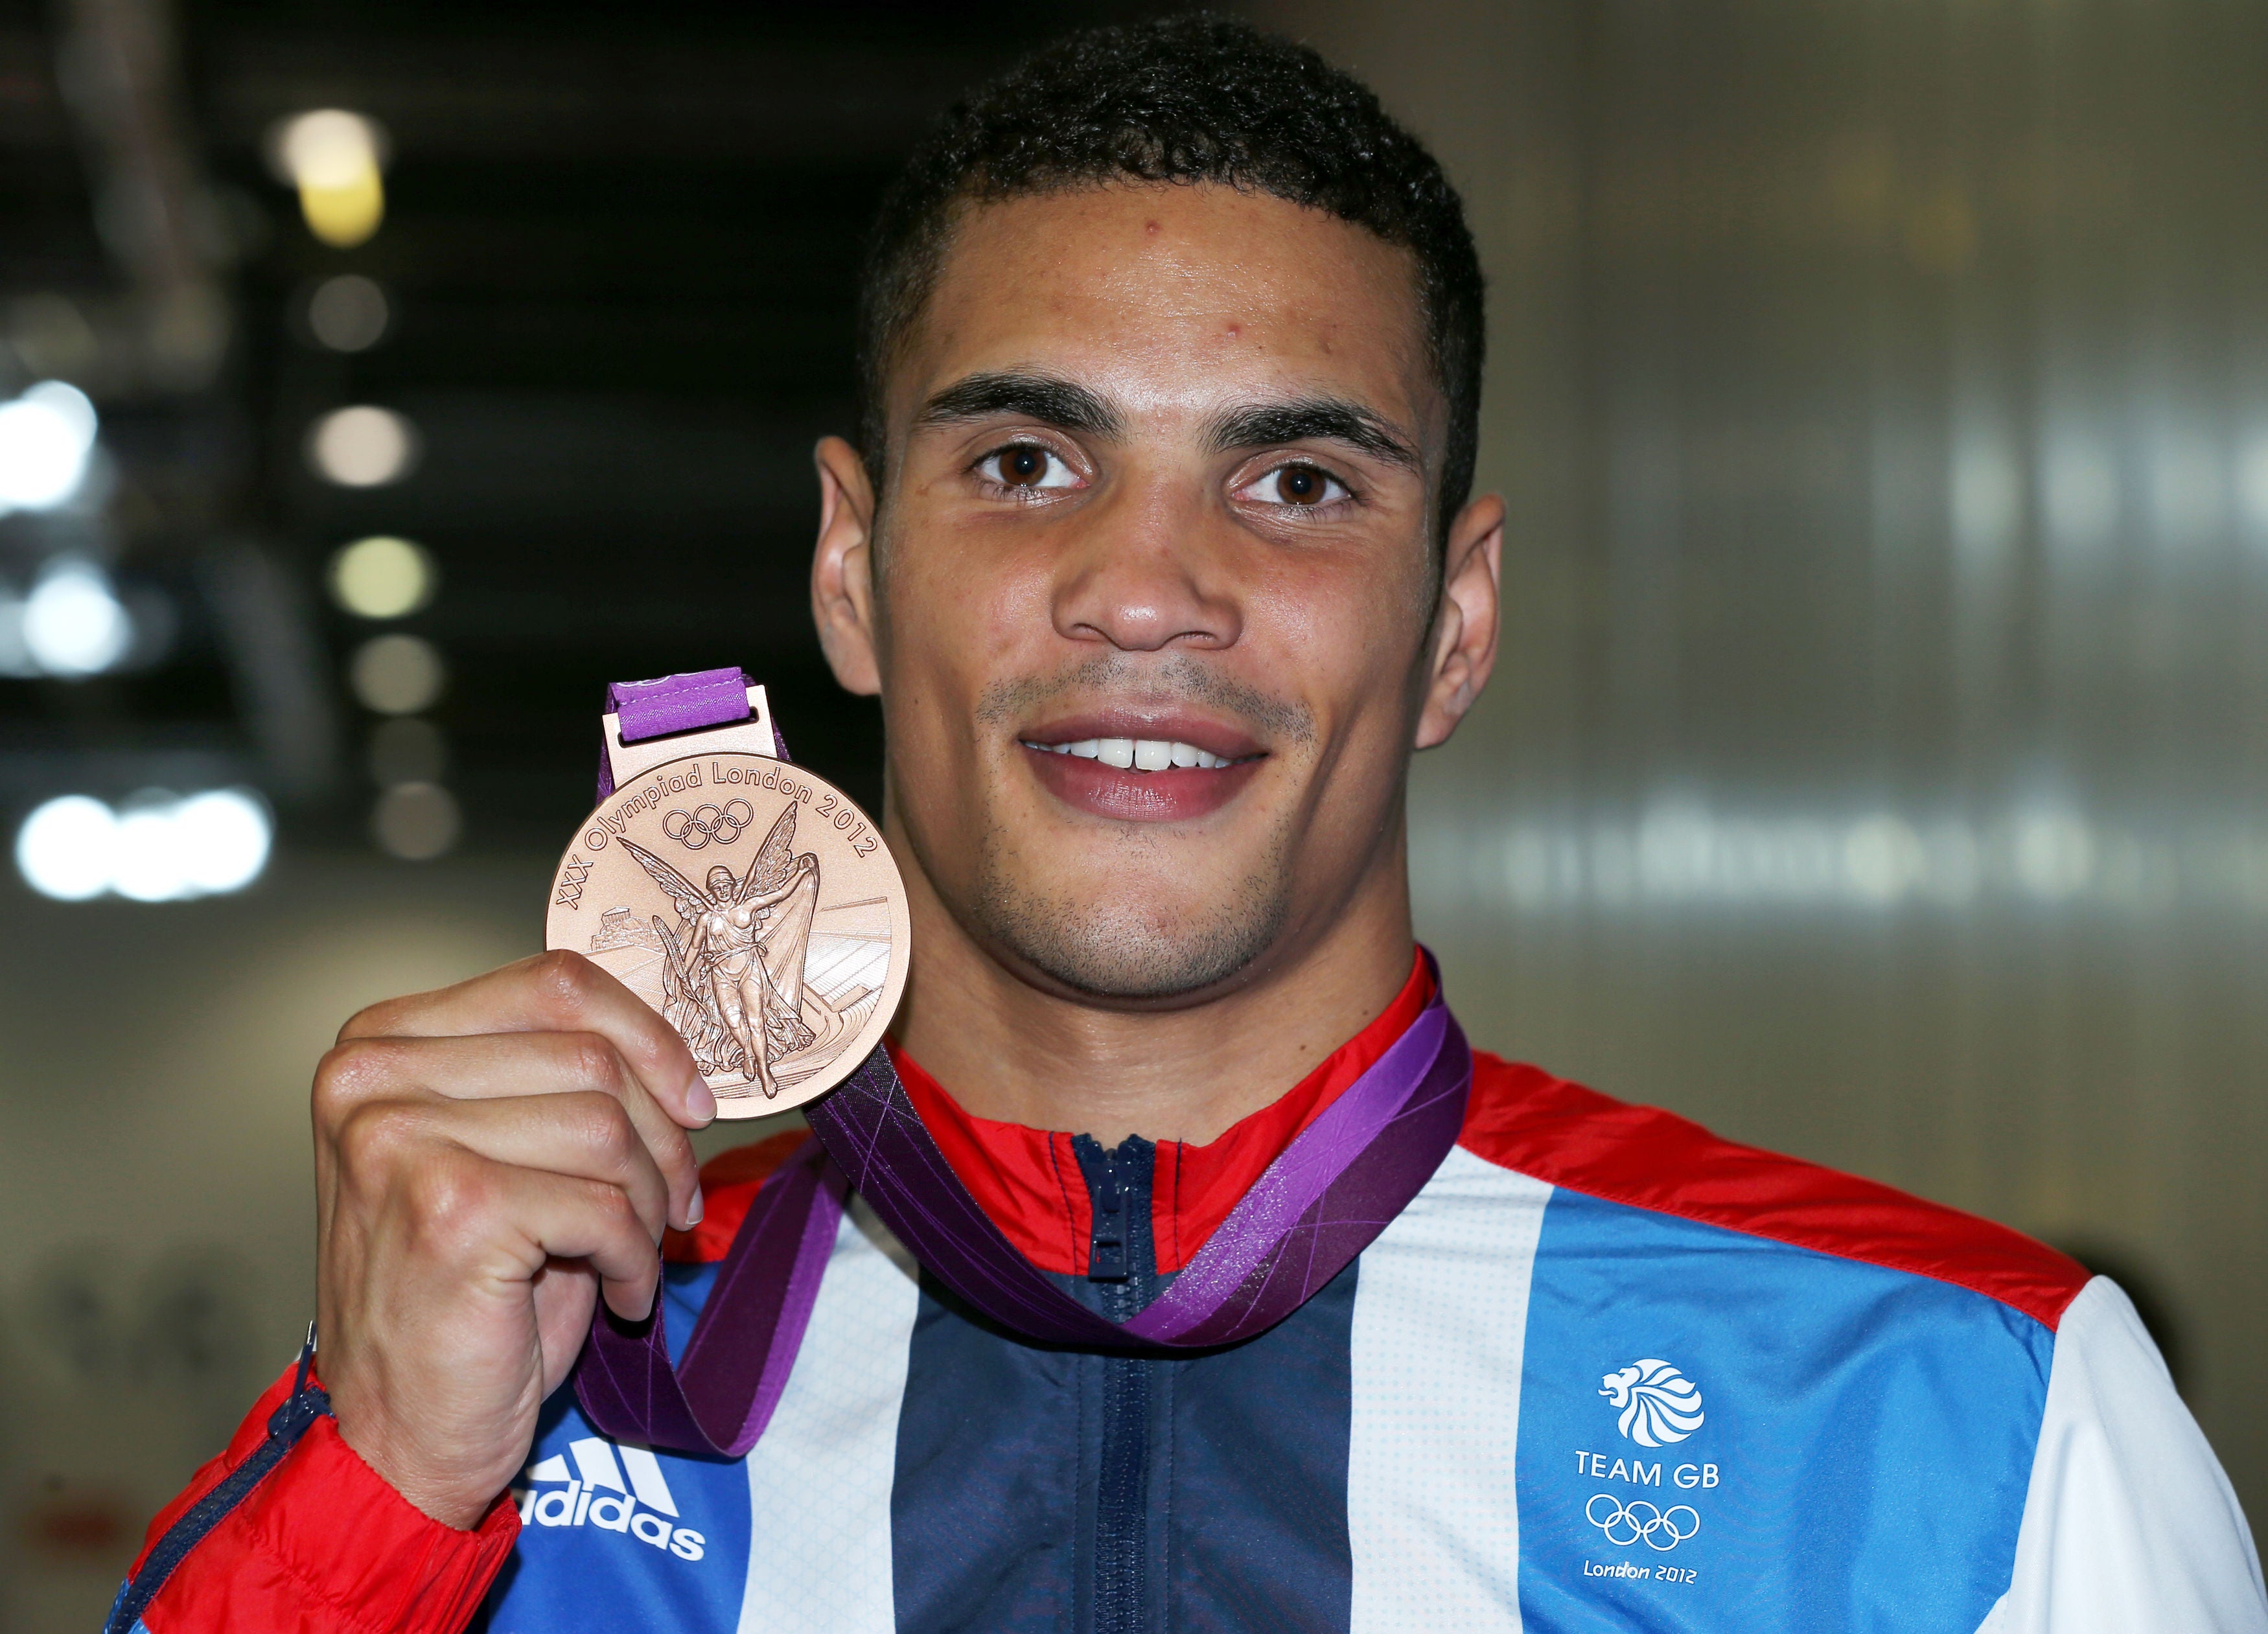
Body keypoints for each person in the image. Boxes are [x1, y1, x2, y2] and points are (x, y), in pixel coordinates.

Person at [110, 17, 2264, 1634]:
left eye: (1299, 482)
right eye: (1029, 462)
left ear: (1455, 622)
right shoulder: (546, 1386)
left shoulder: (1953, 1410)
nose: (1147, 588)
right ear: (852, 573)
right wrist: (381, 1481)